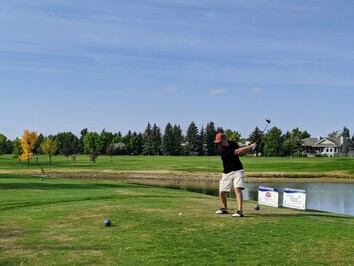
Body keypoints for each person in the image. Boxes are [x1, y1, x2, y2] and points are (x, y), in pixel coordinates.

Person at [214, 132, 256, 217]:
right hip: (227, 171)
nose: (219, 143)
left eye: (220, 141)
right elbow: (237, 151)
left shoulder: (233, 143)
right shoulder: (221, 149)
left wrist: (249, 149)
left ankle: (240, 211)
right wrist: (250, 146)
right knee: (222, 192)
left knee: (237, 188)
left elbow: (241, 154)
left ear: (224, 139)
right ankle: (225, 209)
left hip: (238, 169)